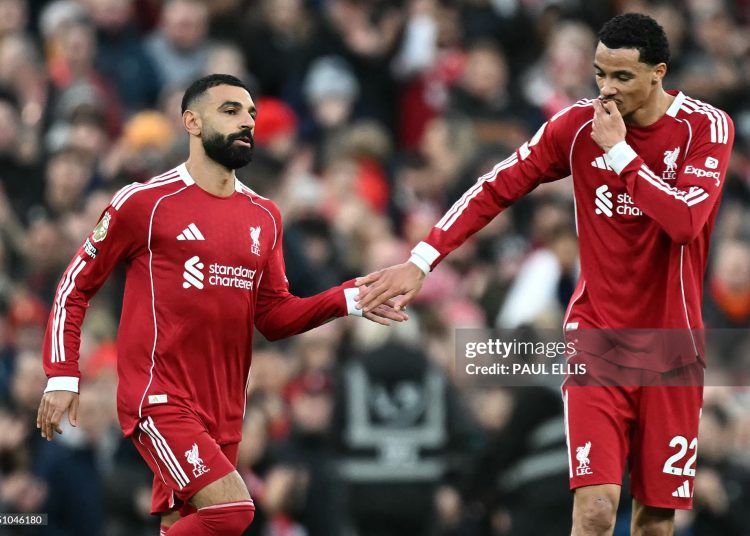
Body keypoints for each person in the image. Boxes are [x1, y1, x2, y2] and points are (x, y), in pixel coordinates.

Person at [356, 13, 734, 536]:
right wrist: (421, 259)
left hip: (672, 347)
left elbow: (686, 222)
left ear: (658, 73)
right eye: (600, 74)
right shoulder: (576, 127)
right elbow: (496, 186)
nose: (607, 89)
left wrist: (620, 154)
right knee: (596, 509)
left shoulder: (706, 127)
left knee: (654, 522)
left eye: (622, 77)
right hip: (597, 339)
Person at [35, 73, 407, 536]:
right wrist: (62, 374)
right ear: (191, 121)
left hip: (227, 407)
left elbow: (272, 317)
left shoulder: (264, 215)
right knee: (235, 512)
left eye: (250, 113)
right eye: (230, 111)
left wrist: (348, 299)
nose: (246, 122)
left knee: (189, 525)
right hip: (160, 397)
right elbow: (75, 285)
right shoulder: (144, 203)